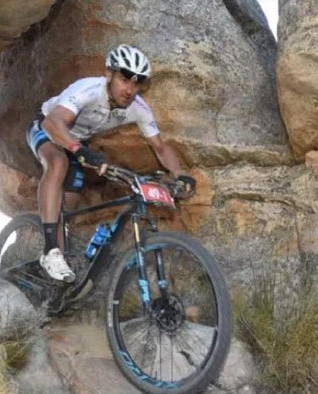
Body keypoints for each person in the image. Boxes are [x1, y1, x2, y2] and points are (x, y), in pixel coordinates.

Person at [26, 44, 195, 282]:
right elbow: (53, 122)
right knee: (57, 163)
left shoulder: (138, 108)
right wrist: (78, 149)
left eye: (137, 83)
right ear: (109, 74)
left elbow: (160, 147)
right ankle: (50, 251)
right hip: (48, 128)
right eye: (125, 79)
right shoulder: (89, 89)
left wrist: (179, 173)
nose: (130, 89)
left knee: (70, 202)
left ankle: (58, 275)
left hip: (77, 142)